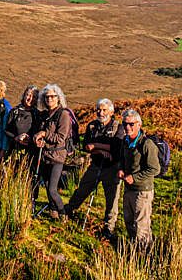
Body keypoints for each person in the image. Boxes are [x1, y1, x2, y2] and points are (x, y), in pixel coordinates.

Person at [66, 98, 124, 239]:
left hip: (112, 168)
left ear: (111, 112)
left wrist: (96, 146)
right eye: (98, 109)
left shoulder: (119, 127)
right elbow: (86, 146)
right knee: (82, 189)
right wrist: (101, 150)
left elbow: (116, 148)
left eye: (104, 110)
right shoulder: (91, 126)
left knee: (112, 199)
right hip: (95, 165)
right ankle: (68, 211)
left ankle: (109, 227)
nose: (101, 113)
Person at [117, 108, 161, 250]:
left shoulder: (147, 144)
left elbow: (155, 169)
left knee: (141, 226)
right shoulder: (125, 141)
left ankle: (145, 255)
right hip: (128, 189)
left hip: (143, 191)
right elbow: (122, 160)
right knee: (129, 222)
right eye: (125, 124)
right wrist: (121, 169)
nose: (127, 127)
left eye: (131, 124)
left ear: (139, 125)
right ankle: (134, 250)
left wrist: (134, 178)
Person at [33, 84, 74, 221]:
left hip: (57, 156)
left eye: (52, 96)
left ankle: (63, 213)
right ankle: (53, 212)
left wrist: (44, 134)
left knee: (52, 189)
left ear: (58, 98)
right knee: (47, 186)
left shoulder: (63, 115)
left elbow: (61, 138)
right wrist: (38, 139)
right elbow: (40, 133)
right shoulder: (45, 115)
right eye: (46, 97)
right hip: (45, 155)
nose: (49, 99)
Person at [4, 85, 40, 166]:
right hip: (14, 151)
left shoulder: (37, 114)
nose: (30, 98)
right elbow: (7, 130)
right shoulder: (15, 112)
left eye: (34, 97)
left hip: (31, 153)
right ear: (24, 96)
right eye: (28, 95)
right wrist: (16, 138)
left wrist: (31, 139)